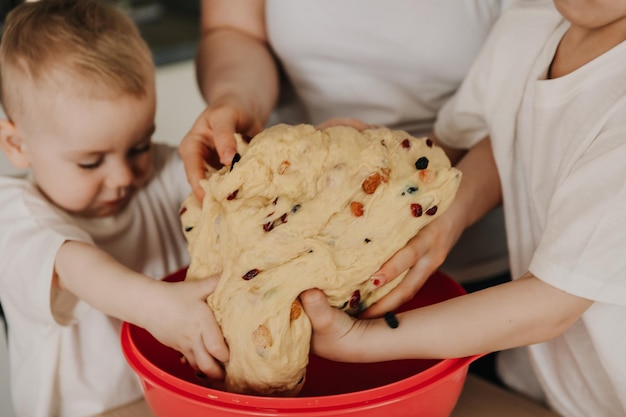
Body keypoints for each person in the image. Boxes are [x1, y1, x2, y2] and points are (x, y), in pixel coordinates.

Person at [299, 1, 626, 416]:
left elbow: (551, 305)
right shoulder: (529, 27)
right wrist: (390, 160)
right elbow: (503, 139)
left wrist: (362, 341)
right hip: (540, 375)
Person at [180, 0, 513, 315]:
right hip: (285, 242)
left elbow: (536, 100)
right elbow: (235, 30)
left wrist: (456, 207)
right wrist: (237, 97)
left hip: (474, 254)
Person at [0, 1, 228, 416]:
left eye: (139, 146)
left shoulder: (156, 173)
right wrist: (157, 308)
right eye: (91, 161)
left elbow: (223, 184)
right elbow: (73, 266)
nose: (123, 175)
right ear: (18, 145)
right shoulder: (13, 214)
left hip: (175, 400)